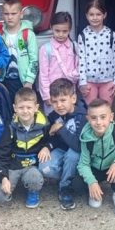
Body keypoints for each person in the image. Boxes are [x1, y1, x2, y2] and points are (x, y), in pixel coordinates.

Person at [0, 87, 50, 209]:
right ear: (15, 108)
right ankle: (9, 187)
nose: (25, 111)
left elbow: (49, 139)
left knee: (34, 178)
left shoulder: (44, 124)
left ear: (36, 107)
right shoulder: (9, 128)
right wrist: (4, 177)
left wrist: (46, 147)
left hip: (32, 166)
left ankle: (33, 191)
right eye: (21, 107)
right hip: (13, 166)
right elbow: (2, 155)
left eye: (29, 107)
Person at [77, 98, 115, 217]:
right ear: (88, 119)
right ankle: (95, 190)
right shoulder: (86, 137)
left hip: (113, 169)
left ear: (111, 117)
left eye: (103, 117)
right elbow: (83, 164)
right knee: (77, 183)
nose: (98, 122)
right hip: (96, 169)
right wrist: (92, 182)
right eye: (94, 118)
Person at [38, 78, 87, 211]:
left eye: (63, 100)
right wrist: (47, 146)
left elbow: (78, 145)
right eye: (55, 101)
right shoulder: (53, 116)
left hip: (78, 153)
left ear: (73, 98)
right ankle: (69, 176)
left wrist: (61, 129)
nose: (59, 105)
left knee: (73, 155)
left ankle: (65, 187)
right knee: (44, 168)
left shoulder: (82, 116)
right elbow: (53, 138)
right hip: (61, 150)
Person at [77, 0, 115, 105]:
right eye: (91, 14)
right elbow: (81, 60)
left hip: (108, 81)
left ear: (104, 15)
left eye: (98, 14)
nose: (95, 17)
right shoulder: (83, 36)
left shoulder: (112, 35)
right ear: (86, 16)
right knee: (90, 109)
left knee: (105, 109)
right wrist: (82, 82)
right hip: (89, 81)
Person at [37, 11, 79, 111]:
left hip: (69, 93)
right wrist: (46, 96)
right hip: (53, 95)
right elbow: (43, 75)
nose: (61, 34)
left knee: (70, 116)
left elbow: (79, 67)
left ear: (70, 29)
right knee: (53, 118)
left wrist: (73, 75)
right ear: (51, 27)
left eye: (65, 31)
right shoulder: (45, 49)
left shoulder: (74, 46)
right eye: (57, 31)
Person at [0, 0, 38, 99]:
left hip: (23, 82)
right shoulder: (0, 35)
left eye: (13, 13)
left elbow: (34, 60)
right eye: (6, 14)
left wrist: (29, 81)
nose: (9, 17)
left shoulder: (28, 34)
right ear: (2, 15)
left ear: (21, 14)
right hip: (5, 81)